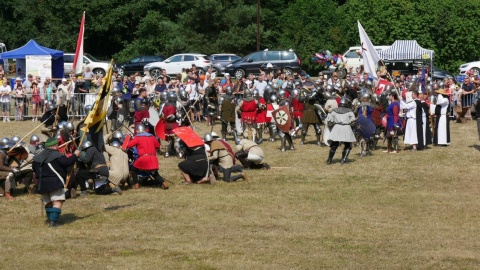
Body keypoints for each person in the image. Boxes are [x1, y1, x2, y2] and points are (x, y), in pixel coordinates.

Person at [32, 137, 80, 227]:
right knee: (57, 202)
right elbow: (67, 162)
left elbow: (34, 169)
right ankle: (53, 222)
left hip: (42, 184)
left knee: (49, 203)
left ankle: (51, 220)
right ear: (54, 146)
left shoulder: (36, 157)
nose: (58, 146)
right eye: (57, 145)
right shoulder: (57, 155)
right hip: (55, 182)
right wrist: (75, 155)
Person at [126, 124, 168, 189]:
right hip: (153, 158)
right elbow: (157, 146)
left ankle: (136, 184)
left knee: (133, 170)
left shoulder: (137, 138)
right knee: (154, 173)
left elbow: (128, 145)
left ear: (138, 130)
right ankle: (163, 183)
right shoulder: (152, 137)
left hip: (143, 158)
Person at [326, 97, 356, 164]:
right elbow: (353, 123)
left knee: (334, 144)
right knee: (348, 145)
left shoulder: (334, 111)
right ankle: (344, 160)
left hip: (337, 128)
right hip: (346, 128)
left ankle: (329, 159)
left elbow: (330, 122)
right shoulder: (350, 111)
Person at [162, 92, 179, 158]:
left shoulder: (165, 105)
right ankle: (179, 152)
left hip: (167, 124)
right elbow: (171, 117)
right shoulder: (172, 106)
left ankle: (166, 153)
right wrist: (177, 116)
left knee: (169, 140)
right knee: (176, 139)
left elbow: (162, 115)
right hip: (173, 124)